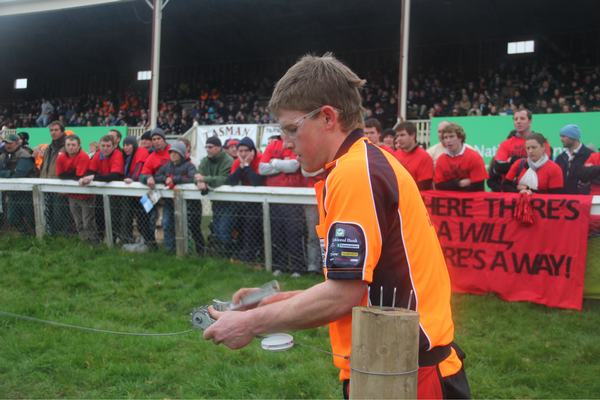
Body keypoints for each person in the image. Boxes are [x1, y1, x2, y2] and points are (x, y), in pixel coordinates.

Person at [203, 53, 470, 400]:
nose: (285, 142)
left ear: (328, 117)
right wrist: (267, 305)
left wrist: (249, 324)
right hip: (392, 361)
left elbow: (341, 296)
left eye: (291, 128)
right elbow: (357, 288)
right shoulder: (362, 162)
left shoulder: (354, 172)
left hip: (405, 373)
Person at [259, 134, 305, 277]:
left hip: (293, 198)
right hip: (274, 197)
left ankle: (298, 268)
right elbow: (262, 169)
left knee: (294, 234)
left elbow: (294, 166)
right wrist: (282, 163)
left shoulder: (296, 144)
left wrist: (273, 162)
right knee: (277, 233)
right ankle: (280, 266)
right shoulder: (272, 146)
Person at [227, 137, 266, 263]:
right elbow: (231, 181)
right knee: (245, 228)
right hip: (247, 202)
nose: (243, 154)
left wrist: (247, 166)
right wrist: (241, 166)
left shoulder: (261, 159)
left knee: (258, 230)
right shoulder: (238, 162)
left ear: (253, 151)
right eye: (240, 151)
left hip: (264, 201)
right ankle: (246, 257)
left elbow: (257, 181)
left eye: (246, 151)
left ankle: (257, 258)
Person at [153, 142, 197, 252]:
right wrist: (165, 179)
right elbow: (156, 176)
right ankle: (170, 250)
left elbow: (193, 179)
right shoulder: (167, 166)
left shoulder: (189, 165)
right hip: (169, 202)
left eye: (175, 152)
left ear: (181, 154)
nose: (172, 154)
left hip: (185, 203)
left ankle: (186, 250)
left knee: (183, 227)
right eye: (171, 152)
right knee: (166, 223)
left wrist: (176, 179)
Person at [80, 135, 124, 244]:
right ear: (99, 145)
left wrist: (93, 177)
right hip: (102, 191)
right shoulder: (97, 155)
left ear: (114, 146)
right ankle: (99, 242)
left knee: (115, 219)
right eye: (103, 145)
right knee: (99, 216)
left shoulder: (117, 155)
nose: (105, 148)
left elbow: (113, 176)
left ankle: (114, 242)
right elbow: (91, 171)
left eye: (108, 146)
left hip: (117, 194)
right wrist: (83, 178)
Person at [195, 136, 234, 257]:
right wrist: (199, 182)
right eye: (206, 147)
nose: (207, 149)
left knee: (223, 229)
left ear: (218, 148)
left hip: (231, 202)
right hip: (216, 201)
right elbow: (197, 175)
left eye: (210, 147)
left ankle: (226, 257)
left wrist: (205, 179)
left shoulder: (228, 160)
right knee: (216, 228)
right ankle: (220, 256)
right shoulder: (205, 160)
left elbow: (224, 179)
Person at [56, 135, 97, 243]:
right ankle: (84, 241)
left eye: (73, 145)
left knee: (87, 221)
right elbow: (60, 175)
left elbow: (79, 175)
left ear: (79, 146)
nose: (70, 147)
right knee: (78, 222)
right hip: (72, 194)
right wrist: (73, 174)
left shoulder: (83, 156)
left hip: (85, 194)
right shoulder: (60, 157)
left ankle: (92, 242)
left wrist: (71, 175)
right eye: (68, 145)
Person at [139, 128, 172, 250]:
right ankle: (152, 247)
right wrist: (148, 177)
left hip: (173, 194)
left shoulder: (173, 151)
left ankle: (171, 250)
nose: (156, 141)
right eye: (154, 139)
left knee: (167, 223)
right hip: (156, 192)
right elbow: (141, 175)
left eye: (159, 139)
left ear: (164, 139)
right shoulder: (151, 156)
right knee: (143, 217)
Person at [492, 109, 551, 177]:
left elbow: (541, 165)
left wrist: (513, 159)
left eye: (522, 118)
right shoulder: (505, 143)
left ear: (530, 122)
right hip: (509, 186)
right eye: (516, 119)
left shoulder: (541, 141)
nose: (518, 121)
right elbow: (498, 167)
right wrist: (528, 164)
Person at [0, 133, 36, 235]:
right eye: (6, 143)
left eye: (10, 143)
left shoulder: (25, 156)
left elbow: (19, 174)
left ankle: (38, 237)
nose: (7, 145)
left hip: (26, 193)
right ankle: (27, 235)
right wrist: (11, 172)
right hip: (12, 193)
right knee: (12, 219)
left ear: (17, 143)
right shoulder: (3, 156)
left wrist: (6, 174)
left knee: (32, 218)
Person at [434, 123, 487, 192]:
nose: (448, 141)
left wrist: (450, 186)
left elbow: (477, 186)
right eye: (445, 137)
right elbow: (439, 186)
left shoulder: (474, 157)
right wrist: (460, 183)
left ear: (460, 138)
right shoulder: (441, 159)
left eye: (452, 136)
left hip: (472, 201)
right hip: (449, 201)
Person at [39, 121, 71, 236]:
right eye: (51, 130)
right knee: (48, 213)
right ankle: (51, 237)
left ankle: (62, 238)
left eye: (56, 130)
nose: (53, 133)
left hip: (59, 185)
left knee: (60, 215)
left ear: (62, 131)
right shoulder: (49, 147)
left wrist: (66, 186)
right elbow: (44, 166)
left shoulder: (68, 146)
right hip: (46, 184)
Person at [120, 135, 151, 246]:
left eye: (128, 145)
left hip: (144, 193)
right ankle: (142, 242)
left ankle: (149, 243)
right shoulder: (128, 157)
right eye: (124, 145)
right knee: (135, 219)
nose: (125, 148)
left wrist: (133, 179)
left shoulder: (141, 151)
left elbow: (140, 167)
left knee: (144, 220)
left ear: (133, 145)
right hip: (133, 193)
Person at [393, 121, 433, 190]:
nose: (399, 139)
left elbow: (425, 185)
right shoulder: (396, 154)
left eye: (402, 135)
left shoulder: (424, 157)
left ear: (412, 135)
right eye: (398, 136)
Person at [554, 125, 593, 195]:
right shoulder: (560, 157)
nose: (561, 139)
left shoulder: (589, 155)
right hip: (563, 199)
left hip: (583, 200)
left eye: (563, 136)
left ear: (573, 137)